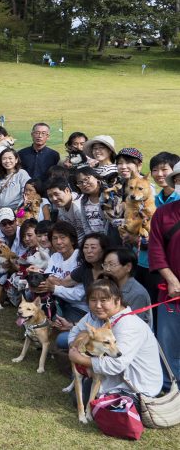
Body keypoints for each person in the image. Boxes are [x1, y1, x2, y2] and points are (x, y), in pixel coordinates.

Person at [67, 276, 162, 410]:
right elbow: (74, 332)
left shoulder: (129, 325)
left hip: (136, 387)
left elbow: (116, 364)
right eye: (93, 300)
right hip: (111, 376)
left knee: (85, 398)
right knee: (80, 397)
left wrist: (80, 359)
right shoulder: (95, 315)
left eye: (104, 300)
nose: (98, 305)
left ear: (117, 301)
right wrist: (76, 346)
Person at [149, 173, 180, 390]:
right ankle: (170, 387)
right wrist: (171, 280)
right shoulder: (163, 214)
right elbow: (156, 251)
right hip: (172, 291)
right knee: (169, 343)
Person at [0, 148, 30, 222]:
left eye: (10, 158)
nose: (7, 161)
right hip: (0, 212)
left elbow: (25, 193)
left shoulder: (22, 173)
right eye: (4, 159)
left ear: (16, 160)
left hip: (15, 211)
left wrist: (20, 210)